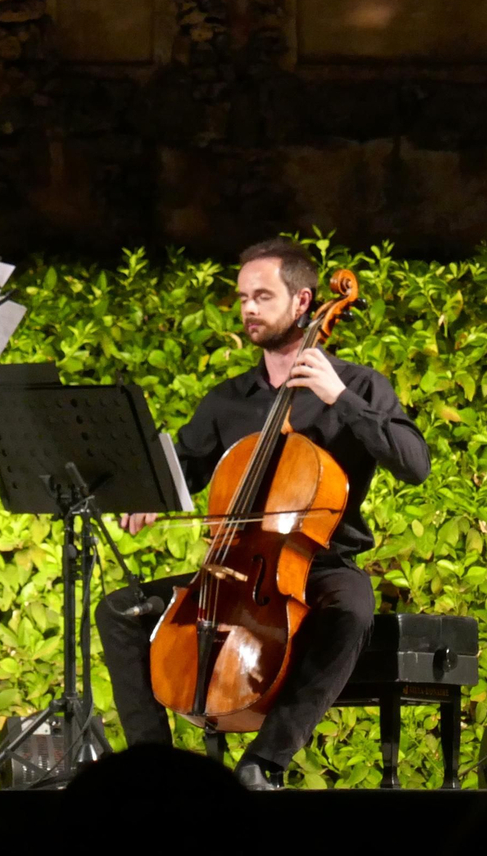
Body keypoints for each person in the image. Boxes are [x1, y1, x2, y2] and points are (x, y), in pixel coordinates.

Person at [95, 237, 430, 790]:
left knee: (352, 607)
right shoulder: (228, 399)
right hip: (231, 568)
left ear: (303, 302)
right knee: (120, 611)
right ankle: (154, 770)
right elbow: (183, 468)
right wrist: (147, 493)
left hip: (318, 564)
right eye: (243, 297)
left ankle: (265, 761)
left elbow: (415, 465)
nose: (248, 308)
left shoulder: (358, 385)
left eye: (263, 296)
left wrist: (339, 397)